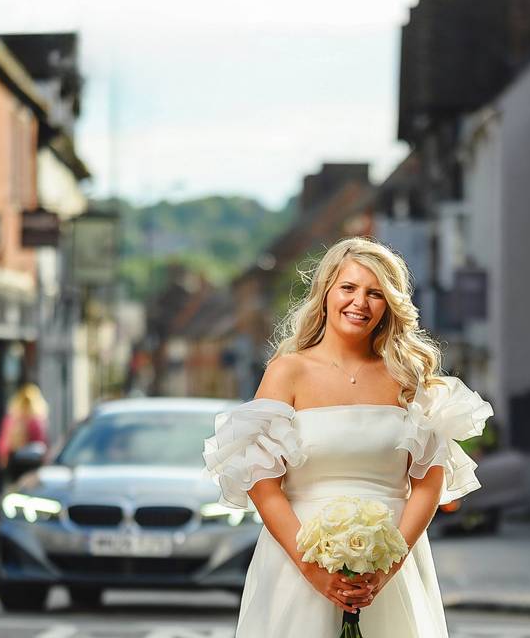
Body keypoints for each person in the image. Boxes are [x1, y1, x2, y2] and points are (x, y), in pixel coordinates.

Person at [203, 237, 492, 637]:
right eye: (349, 288)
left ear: (389, 304)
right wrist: (314, 571)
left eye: (375, 293)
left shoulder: (409, 378)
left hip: (390, 570)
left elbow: (427, 485)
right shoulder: (288, 372)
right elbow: (263, 485)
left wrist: (387, 568)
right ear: (325, 293)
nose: (360, 303)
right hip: (296, 563)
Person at [0, 383, 49, 473]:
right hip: (30, 459)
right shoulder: (36, 420)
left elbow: (4, 439)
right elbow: (41, 441)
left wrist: (2, 455)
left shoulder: (13, 418)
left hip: (16, 457)